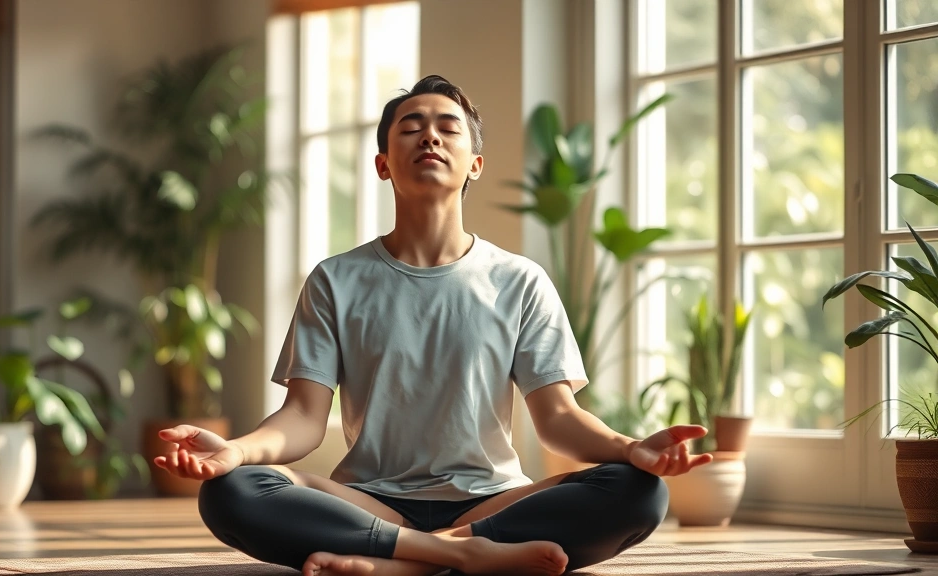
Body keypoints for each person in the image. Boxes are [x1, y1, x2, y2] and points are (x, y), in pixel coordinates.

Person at [154, 75, 712, 576]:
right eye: (410, 128)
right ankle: (464, 557)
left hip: (492, 501)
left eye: (448, 127)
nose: (429, 137)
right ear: (383, 164)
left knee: (638, 492)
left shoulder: (520, 280)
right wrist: (235, 451)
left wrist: (631, 448)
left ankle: (411, 560)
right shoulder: (335, 279)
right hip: (367, 501)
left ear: (475, 164)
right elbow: (302, 417)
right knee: (230, 491)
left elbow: (559, 419)